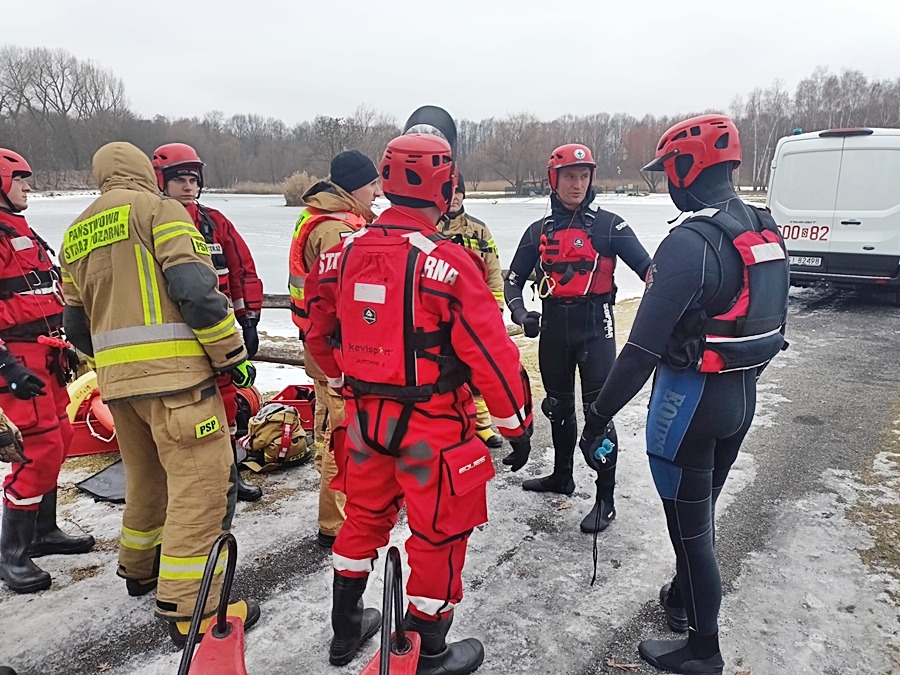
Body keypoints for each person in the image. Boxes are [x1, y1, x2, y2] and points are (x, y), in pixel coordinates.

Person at [305, 115, 533, 674]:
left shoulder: (341, 252)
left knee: (362, 515)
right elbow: (493, 355)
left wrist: (340, 381)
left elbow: (317, 327)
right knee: (439, 534)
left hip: (363, 421)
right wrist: (515, 424)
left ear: (385, 182)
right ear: (446, 186)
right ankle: (429, 651)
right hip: (432, 426)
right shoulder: (450, 262)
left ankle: (345, 629)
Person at [579, 115, 789, 674]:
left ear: (686, 168)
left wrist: (596, 419)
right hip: (739, 399)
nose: (666, 181)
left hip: (688, 406)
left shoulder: (688, 244)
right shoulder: (762, 226)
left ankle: (703, 650)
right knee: (702, 520)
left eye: (669, 169)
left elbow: (641, 353)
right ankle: (681, 598)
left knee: (693, 535)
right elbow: (765, 326)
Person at [61, 141, 261, 646]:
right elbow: (196, 290)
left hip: (118, 389)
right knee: (202, 486)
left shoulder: (76, 231)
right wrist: (232, 357)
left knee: (147, 478)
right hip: (177, 385)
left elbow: (75, 326)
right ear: (143, 172)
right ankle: (190, 606)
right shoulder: (160, 210)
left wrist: (116, 367)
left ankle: (140, 568)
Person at [505, 144, 651, 533]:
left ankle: (606, 500)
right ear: (554, 180)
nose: (578, 183)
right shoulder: (537, 231)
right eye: (570, 175)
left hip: (595, 327)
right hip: (553, 326)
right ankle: (562, 476)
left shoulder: (610, 225)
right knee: (557, 405)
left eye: (584, 176)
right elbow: (513, 281)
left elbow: (649, 271)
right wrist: (521, 314)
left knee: (598, 413)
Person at [0, 149, 94, 594]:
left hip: (48, 358)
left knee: (61, 439)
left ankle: (43, 531)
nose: (29, 186)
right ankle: (11, 555)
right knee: (35, 452)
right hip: (17, 361)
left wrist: (69, 344)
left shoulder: (21, 232)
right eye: (21, 179)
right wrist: (8, 367)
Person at [152, 143, 264, 503]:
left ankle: (232, 476)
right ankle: (190, 484)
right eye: (179, 180)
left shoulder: (215, 222)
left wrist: (249, 320)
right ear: (161, 182)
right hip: (176, 336)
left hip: (220, 329)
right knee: (187, 413)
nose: (188, 187)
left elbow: (242, 270)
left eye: (192, 180)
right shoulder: (150, 220)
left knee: (229, 404)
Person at [288, 150, 380, 549]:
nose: (378, 192)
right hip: (336, 351)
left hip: (321, 346)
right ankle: (336, 523)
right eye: (373, 184)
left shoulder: (322, 217)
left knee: (333, 430)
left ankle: (342, 512)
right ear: (354, 186)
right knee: (341, 436)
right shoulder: (335, 231)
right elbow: (346, 300)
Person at [437, 173, 505, 450]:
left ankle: (482, 425)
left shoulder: (478, 229)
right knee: (444, 371)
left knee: (478, 371)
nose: (454, 198)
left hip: (473, 311)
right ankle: (452, 423)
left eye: (458, 192)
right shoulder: (429, 227)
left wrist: (496, 308)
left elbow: (494, 271)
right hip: (440, 313)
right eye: (448, 192)